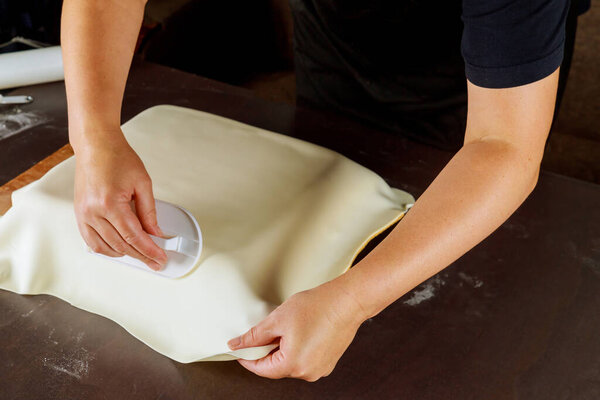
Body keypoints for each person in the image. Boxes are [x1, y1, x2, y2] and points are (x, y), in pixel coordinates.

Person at [61, 0, 584, 381]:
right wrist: (95, 136)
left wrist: (350, 302)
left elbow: (504, 146)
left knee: (441, 318)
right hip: (335, 32)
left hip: (467, 75)